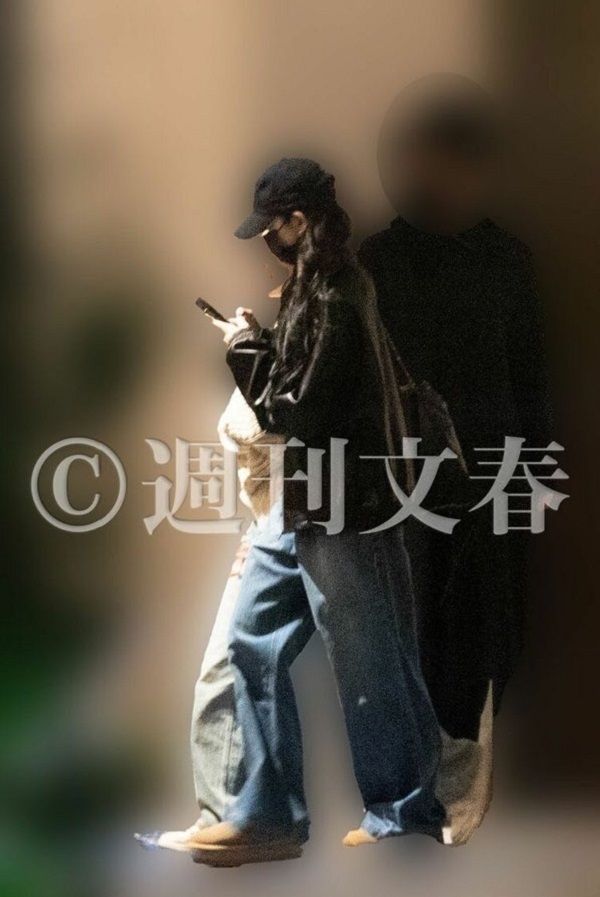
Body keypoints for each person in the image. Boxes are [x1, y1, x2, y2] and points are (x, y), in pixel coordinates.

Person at [172, 157, 448, 866]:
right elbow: (300, 394)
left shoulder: (337, 292)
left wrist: (244, 351)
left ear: (298, 221)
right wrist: (258, 342)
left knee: (372, 661)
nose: (266, 240)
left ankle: (403, 811)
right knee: (248, 640)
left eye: (271, 227)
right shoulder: (311, 287)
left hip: (345, 504)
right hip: (301, 499)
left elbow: (299, 411)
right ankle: (263, 815)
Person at [358, 77, 552, 836]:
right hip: (401, 476)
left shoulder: (506, 260)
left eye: (450, 159)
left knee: (477, 632)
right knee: (403, 636)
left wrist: (531, 480)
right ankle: (404, 799)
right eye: (424, 157)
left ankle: (460, 798)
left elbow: (530, 377)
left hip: (491, 471)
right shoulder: (377, 260)